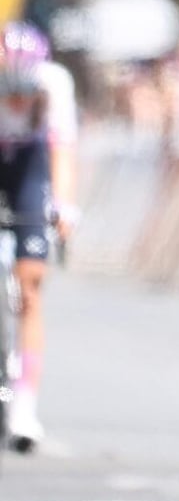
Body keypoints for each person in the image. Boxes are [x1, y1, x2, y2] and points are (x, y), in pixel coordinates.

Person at [0, 24, 78, 453]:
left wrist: (64, 205)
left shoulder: (55, 85)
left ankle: (23, 403)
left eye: (23, 91)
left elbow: (62, 150)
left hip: (29, 166)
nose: (16, 101)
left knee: (30, 286)